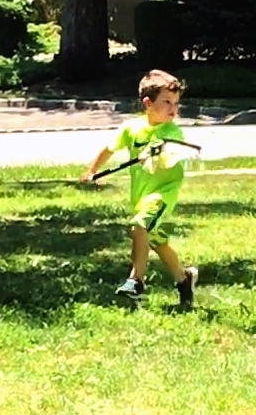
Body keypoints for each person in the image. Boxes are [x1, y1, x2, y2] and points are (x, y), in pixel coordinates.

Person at [81, 69, 197, 310]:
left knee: (139, 226)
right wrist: (92, 170)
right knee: (157, 241)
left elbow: (171, 156)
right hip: (141, 195)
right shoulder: (132, 128)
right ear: (148, 103)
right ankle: (184, 279)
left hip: (163, 194)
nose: (173, 108)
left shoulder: (171, 132)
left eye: (176, 103)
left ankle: (136, 281)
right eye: (166, 102)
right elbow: (109, 148)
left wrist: (155, 156)